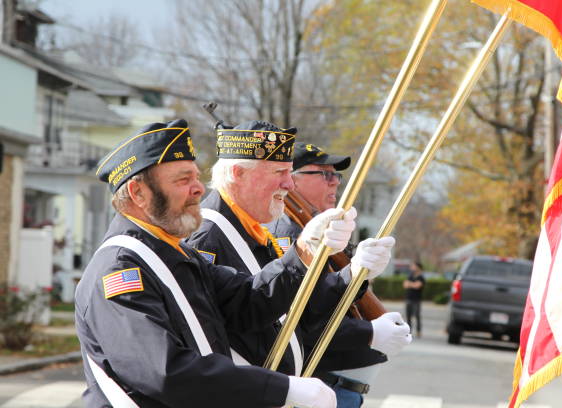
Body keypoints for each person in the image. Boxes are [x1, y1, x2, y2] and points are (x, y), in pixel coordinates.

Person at [75, 119, 383, 408]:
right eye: (184, 180)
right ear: (138, 193)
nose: (199, 188)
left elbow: (249, 302)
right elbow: (167, 372)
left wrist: (304, 250)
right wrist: (280, 387)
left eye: (196, 177)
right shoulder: (120, 270)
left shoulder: (174, 254)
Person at [186, 121, 406, 389]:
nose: (289, 184)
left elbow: (293, 309)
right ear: (238, 173)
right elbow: (234, 319)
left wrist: (354, 272)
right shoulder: (208, 236)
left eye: (290, 173)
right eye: (279, 171)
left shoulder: (249, 229)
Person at [266, 142, 412, 408]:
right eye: (324, 174)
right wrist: (369, 331)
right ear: (292, 180)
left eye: (336, 175)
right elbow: (302, 320)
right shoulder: (289, 234)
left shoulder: (323, 230)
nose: (334, 182)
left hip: (338, 389)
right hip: (322, 386)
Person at [403, 261, 426, 338]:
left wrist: (410, 284)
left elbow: (418, 286)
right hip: (408, 298)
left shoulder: (421, 277)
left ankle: (419, 331)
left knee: (417, 316)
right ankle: (409, 331)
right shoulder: (410, 276)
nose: (412, 267)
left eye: (413, 266)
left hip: (416, 300)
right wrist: (412, 284)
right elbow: (405, 285)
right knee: (408, 316)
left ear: (418, 267)